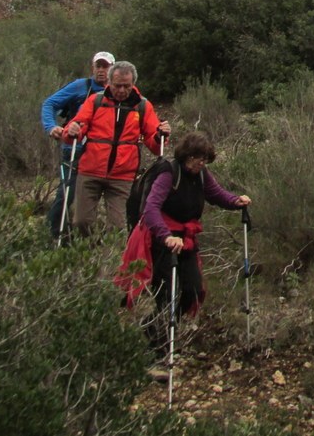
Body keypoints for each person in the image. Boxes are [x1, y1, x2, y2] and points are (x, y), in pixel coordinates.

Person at [115, 131, 251, 364]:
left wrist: (235, 201)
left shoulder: (201, 174)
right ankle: (158, 350)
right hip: (159, 239)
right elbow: (151, 208)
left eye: (204, 159)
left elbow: (215, 194)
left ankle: (156, 331)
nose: (201, 163)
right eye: (197, 158)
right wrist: (166, 236)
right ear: (186, 155)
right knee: (167, 294)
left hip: (185, 240)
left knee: (193, 291)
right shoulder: (169, 172)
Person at [64, 61, 171, 236]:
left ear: (133, 84)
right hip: (90, 171)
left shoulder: (143, 106)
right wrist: (72, 130)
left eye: (126, 86)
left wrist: (160, 135)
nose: (121, 90)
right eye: (117, 85)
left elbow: (153, 143)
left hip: (122, 176)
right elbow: (75, 130)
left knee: (117, 228)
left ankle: (109, 261)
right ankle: (88, 255)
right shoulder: (95, 101)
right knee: (81, 221)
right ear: (109, 82)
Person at [40, 51, 115, 238]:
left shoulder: (120, 91)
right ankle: (54, 237)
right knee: (67, 193)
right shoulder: (80, 86)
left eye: (106, 66)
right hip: (74, 149)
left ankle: (88, 238)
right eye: (98, 66)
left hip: (102, 153)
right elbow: (49, 104)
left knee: (98, 195)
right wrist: (51, 127)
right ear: (93, 67)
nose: (101, 70)